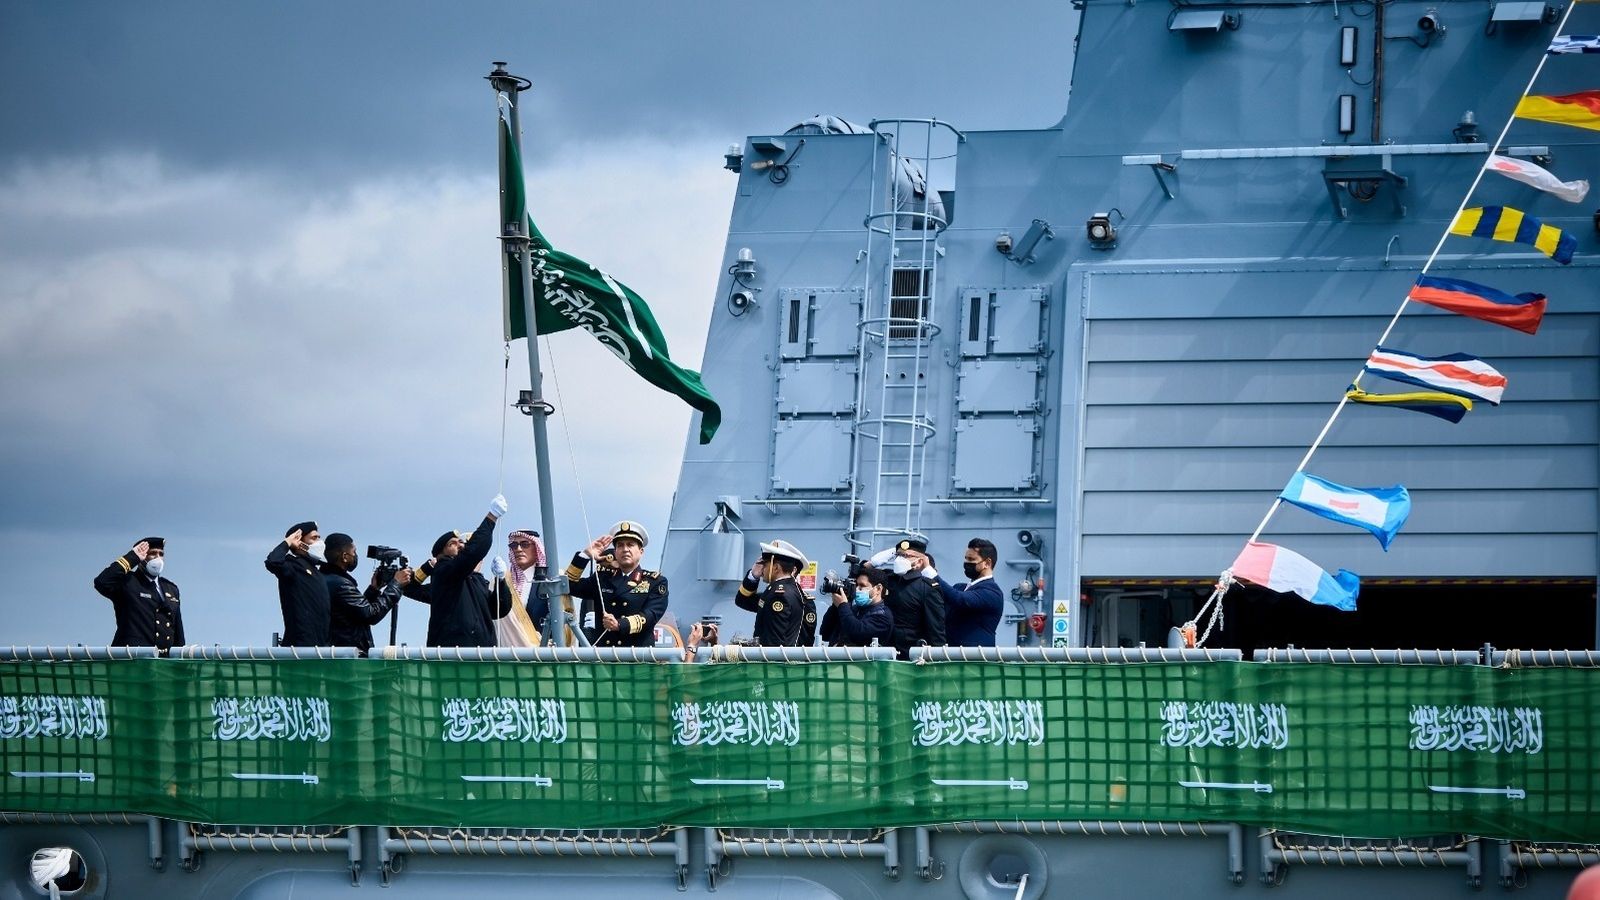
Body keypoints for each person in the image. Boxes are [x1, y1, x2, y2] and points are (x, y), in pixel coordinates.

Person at [411, 495, 512, 647]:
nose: (460, 546)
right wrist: (491, 518)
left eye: (461, 543)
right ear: (440, 554)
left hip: (482, 655)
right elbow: (471, 554)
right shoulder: (444, 571)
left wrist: (501, 581)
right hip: (452, 655)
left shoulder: (475, 580)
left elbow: (498, 609)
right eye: (453, 543)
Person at [565, 521, 669, 648]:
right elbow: (568, 586)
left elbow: (651, 615)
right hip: (604, 657)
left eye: (630, 545)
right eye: (620, 545)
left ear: (641, 551)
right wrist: (585, 555)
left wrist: (620, 624)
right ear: (615, 551)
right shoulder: (602, 578)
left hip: (637, 657)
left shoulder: (655, 582)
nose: (625, 549)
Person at [320, 533, 409, 654]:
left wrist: (374, 589)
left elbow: (356, 612)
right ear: (344, 556)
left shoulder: (327, 579)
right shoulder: (341, 584)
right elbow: (370, 615)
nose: (355, 556)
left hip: (340, 651)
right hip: (348, 656)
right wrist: (396, 585)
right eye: (354, 552)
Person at [93, 536, 184, 651]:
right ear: (142, 557)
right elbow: (102, 582)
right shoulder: (127, 582)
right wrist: (132, 557)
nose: (158, 558)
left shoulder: (171, 589)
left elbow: (178, 635)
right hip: (132, 660)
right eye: (153, 553)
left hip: (161, 663)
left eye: (161, 554)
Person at [871, 538, 946, 658]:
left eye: (906, 555)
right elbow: (861, 574)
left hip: (911, 655)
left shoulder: (927, 587)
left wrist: (938, 660)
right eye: (898, 555)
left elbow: (936, 629)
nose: (900, 559)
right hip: (883, 651)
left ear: (919, 561)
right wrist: (874, 561)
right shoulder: (887, 579)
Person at [923, 538, 1005, 647]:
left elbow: (961, 600)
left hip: (975, 659)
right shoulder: (959, 587)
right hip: (951, 655)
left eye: (971, 559)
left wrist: (932, 574)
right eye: (966, 559)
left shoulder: (992, 592)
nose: (967, 563)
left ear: (987, 563)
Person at [734, 539, 813, 646]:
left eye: (765, 564)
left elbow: (773, 642)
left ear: (775, 568)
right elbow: (742, 600)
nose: (762, 569)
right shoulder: (783, 591)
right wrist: (753, 576)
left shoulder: (778, 595)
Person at [265, 521, 330, 646]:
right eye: (314, 538)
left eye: (319, 538)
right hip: (300, 648)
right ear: (299, 542)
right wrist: (287, 542)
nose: (320, 542)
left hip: (320, 647)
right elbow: (273, 562)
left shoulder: (317, 572)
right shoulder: (293, 565)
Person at [495, 528, 545, 647]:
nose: (518, 549)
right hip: (507, 653)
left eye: (525, 544)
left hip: (544, 653)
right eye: (513, 545)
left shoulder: (550, 580)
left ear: (536, 548)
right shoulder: (501, 580)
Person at [820, 569, 894, 647]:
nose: (857, 589)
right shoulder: (853, 609)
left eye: (862, 586)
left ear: (878, 589)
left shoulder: (883, 616)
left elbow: (857, 634)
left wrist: (842, 605)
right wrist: (836, 606)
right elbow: (825, 634)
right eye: (856, 585)